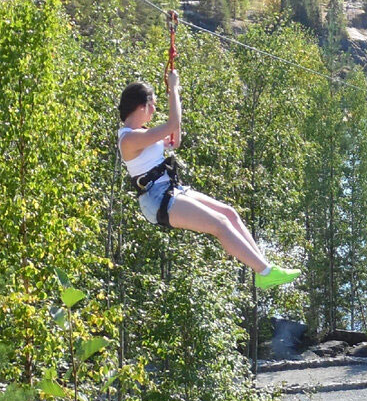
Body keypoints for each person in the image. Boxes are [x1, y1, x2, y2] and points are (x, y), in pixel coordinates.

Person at [117, 69, 299, 289]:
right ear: (142, 106)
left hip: (170, 189)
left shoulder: (143, 133)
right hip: (157, 199)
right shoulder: (129, 138)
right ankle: (265, 272)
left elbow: (174, 140)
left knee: (229, 214)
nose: (154, 110)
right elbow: (171, 125)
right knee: (219, 224)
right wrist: (173, 90)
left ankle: (264, 269)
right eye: (153, 105)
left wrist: (175, 97)